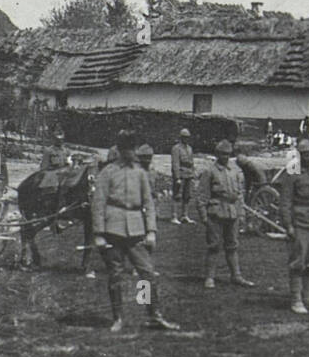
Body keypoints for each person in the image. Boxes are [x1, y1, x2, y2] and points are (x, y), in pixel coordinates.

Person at [90, 131, 178, 333]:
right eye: (128, 149)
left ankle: (152, 315)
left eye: (133, 148)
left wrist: (151, 231)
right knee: (116, 276)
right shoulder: (108, 172)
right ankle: (118, 318)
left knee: (146, 273)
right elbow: (98, 204)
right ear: (120, 150)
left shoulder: (140, 173)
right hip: (113, 229)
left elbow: (149, 203)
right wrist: (99, 234)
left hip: (137, 229)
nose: (132, 153)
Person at [278, 139, 309, 315]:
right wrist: (288, 226)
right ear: (298, 156)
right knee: (297, 263)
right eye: (305, 154)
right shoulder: (292, 175)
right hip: (301, 224)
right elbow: (285, 203)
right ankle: (296, 300)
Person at [198, 139, 254, 289]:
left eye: (228, 154)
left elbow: (240, 195)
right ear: (217, 154)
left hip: (232, 212)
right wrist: (204, 216)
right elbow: (202, 196)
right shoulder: (210, 171)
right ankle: (209, 277)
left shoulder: (235, 171)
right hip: (215, 212)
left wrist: (241, 214)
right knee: (214, 246)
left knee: (233, 245)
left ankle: (236, 276)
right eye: (222, 154)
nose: (225, 157)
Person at [170, 128, 197, 224]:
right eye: (184, 137)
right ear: (181, 137)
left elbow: (192, 162)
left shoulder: (189, 148)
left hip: (188, 174)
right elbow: (175, 163)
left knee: (187, 196)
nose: (186, 139)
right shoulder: (176, 148)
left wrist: (193, 174)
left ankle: (184, 215)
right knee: (177, 195)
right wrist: (177, 177)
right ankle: (174, 216)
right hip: (180, 174)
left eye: (188, 137)